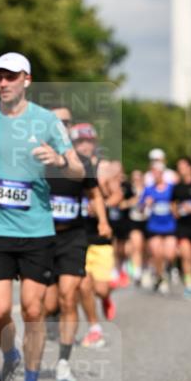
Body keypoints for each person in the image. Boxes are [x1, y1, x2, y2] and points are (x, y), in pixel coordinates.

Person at [0, 54, 84, 381]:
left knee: (33, 309)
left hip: (37, 229)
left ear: (27, 80)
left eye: (11, 76)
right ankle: (10, 358)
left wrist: (61, 160)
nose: (3, 82)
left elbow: (80, 170)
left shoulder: (47, 121)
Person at [43, 107, 98, 381]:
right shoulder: (38, 158)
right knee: (47, 303)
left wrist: (104, 221)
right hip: (44, 238)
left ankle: (64, 361)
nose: (60, 126)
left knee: (68, 296)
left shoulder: (82, 162)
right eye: (55, 122)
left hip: (73, 236)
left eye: (64, 122)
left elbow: (93, 193)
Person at [68, 124, 118, 347]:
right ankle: (94, 328)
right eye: (80, 141)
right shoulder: (69, 166)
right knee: (82, 284)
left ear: (94, 143)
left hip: (100, 236)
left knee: (100, 288)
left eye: (88, 141)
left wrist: (101, 206)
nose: (84, 145)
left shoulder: (104, 168)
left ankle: (106, 297)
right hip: (78, 235)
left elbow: (117, 195)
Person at [140, 159, 177, 294]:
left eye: (158, 172)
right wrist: (145, 204)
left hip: (169, 225)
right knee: (157, 253)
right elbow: (140, 209)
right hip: (154, 226)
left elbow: (177, 203)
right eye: (153, 172)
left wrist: (175, 209)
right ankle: (160, 276)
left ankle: (166, 271)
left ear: (162, 173)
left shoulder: (171, 188)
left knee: (170, 253)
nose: (155, 175)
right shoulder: (148, 189)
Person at [172, 155, 191, 299]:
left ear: (190, 168)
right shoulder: (177, 187)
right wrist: (176, 211)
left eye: (183, 166)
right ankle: (189, 285)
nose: (181, 169)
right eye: (179, 167)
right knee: (185, 255)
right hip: (183, 226)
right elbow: (173, 204)